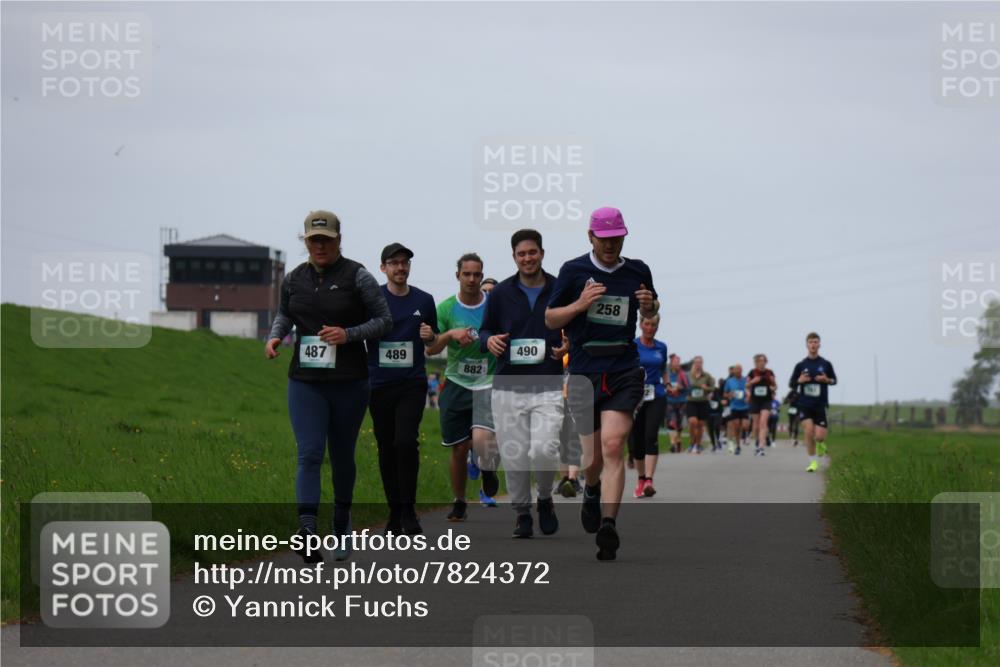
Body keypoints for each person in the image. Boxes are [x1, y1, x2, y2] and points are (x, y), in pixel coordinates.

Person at [266, 210, 392, 563]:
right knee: (308, 453)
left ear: (338, 240)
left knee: (341, 457)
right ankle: (306, 529)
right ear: (305, 242)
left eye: (326, 239)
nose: (319, 246)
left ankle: (341, 518)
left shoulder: (359, 276)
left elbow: (384, 320)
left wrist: (347, 334)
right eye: (313, 240)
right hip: (305, 381)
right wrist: (275, 338)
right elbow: (285, 314)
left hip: (350, 381)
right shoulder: (293, 279)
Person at [545, 206, 658, 561]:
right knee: (591, 456)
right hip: (584, 370)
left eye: (616, 238)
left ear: (624, 236)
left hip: (624, 368)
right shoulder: (573, 271)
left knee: (613, 445)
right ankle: (590, 488)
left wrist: (650, 305)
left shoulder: (638, 271)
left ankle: (608, 525)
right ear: (591, 237)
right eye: (604, 239)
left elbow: (651, 310)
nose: (610, 245)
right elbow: (551, 319)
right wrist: (579, 303)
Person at [480, 229, 569, 538]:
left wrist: (569, 344)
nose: (528, 258)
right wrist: (488, 339)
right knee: (515, 454)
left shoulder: (560, 288)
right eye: (522, 254)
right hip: (508, 387)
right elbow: (483, 332)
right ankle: (522, 514)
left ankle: (544, 498)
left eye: (533, 252)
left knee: (545, 448)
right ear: (514, 257)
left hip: (547, 383)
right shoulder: (501, 293)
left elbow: (575, 328)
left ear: (542, 253)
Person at [367, 243, 438, 536]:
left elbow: (432, 344)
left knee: (406, 442)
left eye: (405, 263)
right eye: (394, 263)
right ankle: (394, 512)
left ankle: (409, 511)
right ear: (383, 268)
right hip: (379, 384)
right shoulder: (372, 300)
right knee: (386, 447)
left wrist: (430, 335)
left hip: (411, 382)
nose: (400, 268)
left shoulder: (424, 299)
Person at [425, 253, 500, 519]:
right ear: (457, 275)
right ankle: (459, 501)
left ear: (482, 276)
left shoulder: (494, 306)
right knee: (458, 448)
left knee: (481, 440)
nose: (471, 279)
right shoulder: (445, 309)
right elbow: (432, 348)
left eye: (476, 274)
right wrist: (449, 334)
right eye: (466, 274)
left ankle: (488, 469)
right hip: (456, 381)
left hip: (488, 383)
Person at [629, 314, 667, 497]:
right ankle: (641, 478)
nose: (650, 328)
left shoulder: (662, 347)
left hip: (657, 395)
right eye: (647, 324)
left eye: (653, 325)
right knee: (636, 440)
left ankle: (649, 481)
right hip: (636, 396)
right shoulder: (633, 345)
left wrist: (667, 384)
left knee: (650, 435)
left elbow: (663, 368)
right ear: (640, 325)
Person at [789, 332, 838, 472]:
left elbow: (834, 381)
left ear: (819, 344)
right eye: (810, 342)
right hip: (804, 404)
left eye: (815, 342)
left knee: (820, 437)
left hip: (820, 405)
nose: (813, 344)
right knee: (809, 431)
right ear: (806, 345)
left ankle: (821, 444)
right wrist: (799, 381)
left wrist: (826, 380)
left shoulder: (826, 364)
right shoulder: (800, 365)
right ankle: (813, 462)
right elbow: (791, 383)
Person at [554, 352, 584, 497]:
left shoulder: (576, 350)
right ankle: (565, 478)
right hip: (556, 398)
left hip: (575, 397)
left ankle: (572, 479)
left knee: (574, 438)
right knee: (560, 440)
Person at [747, 354, 778, 456]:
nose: (761, 362)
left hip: (766, 400)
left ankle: (761, 447)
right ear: (756, 362)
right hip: (755, 401)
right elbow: (746, 385)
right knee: (755, 425)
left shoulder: (770, 372)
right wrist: (752, 381)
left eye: (763, 361)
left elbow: (775, 386)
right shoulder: (752, 372)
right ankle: (757, 442)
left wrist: (773, 387)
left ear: (766, 362)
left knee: (763, 422)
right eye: (759, 361)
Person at [685, 356, 715, 454]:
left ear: (702, 364)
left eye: (700, 363)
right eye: (696, 362)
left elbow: (713, 388)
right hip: (691, 401)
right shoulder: (688, 375)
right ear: (694, 363)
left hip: (703, 402)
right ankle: (692, 443)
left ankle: (698, 445)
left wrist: (706, 388)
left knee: (701, 425)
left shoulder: (707, 376)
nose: (698, 364)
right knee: (693, 422)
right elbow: (682, 385)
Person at [723, 364, 750, 455]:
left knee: (746, 425)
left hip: (744, 406)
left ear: (742, 370)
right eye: (737, 369)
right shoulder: (729, 381)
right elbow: (725, 394)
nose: (738, 371)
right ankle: (738, 446)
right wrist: (729, 394)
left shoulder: (746, 380)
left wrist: (748, 397)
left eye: (740, 369)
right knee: (737, 427)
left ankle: (745, 435)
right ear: (733, 371)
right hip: (734, 406)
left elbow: (750, 391)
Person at [664, 354, 688, 453]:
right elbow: (661, 385)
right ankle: (673, 443)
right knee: (671, 422)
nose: (677, 364)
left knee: (679, 424)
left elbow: (688, 387)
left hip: (681, 402)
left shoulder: (683, 374)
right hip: (669, 401)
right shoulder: (666, 374)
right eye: (675, 362)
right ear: (671, 363)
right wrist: (667, 388)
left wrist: (680, 387)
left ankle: (678, 440)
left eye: (678, 362)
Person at [707, 378, 724, 452]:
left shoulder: (717, 390)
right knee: (710, 429)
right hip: (708, 413)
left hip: (717, 412)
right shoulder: (706, 391)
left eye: (713, 382)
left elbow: (721, 398)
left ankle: (718, 439)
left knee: (716, 426)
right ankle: (713, 445)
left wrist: (719, 400)